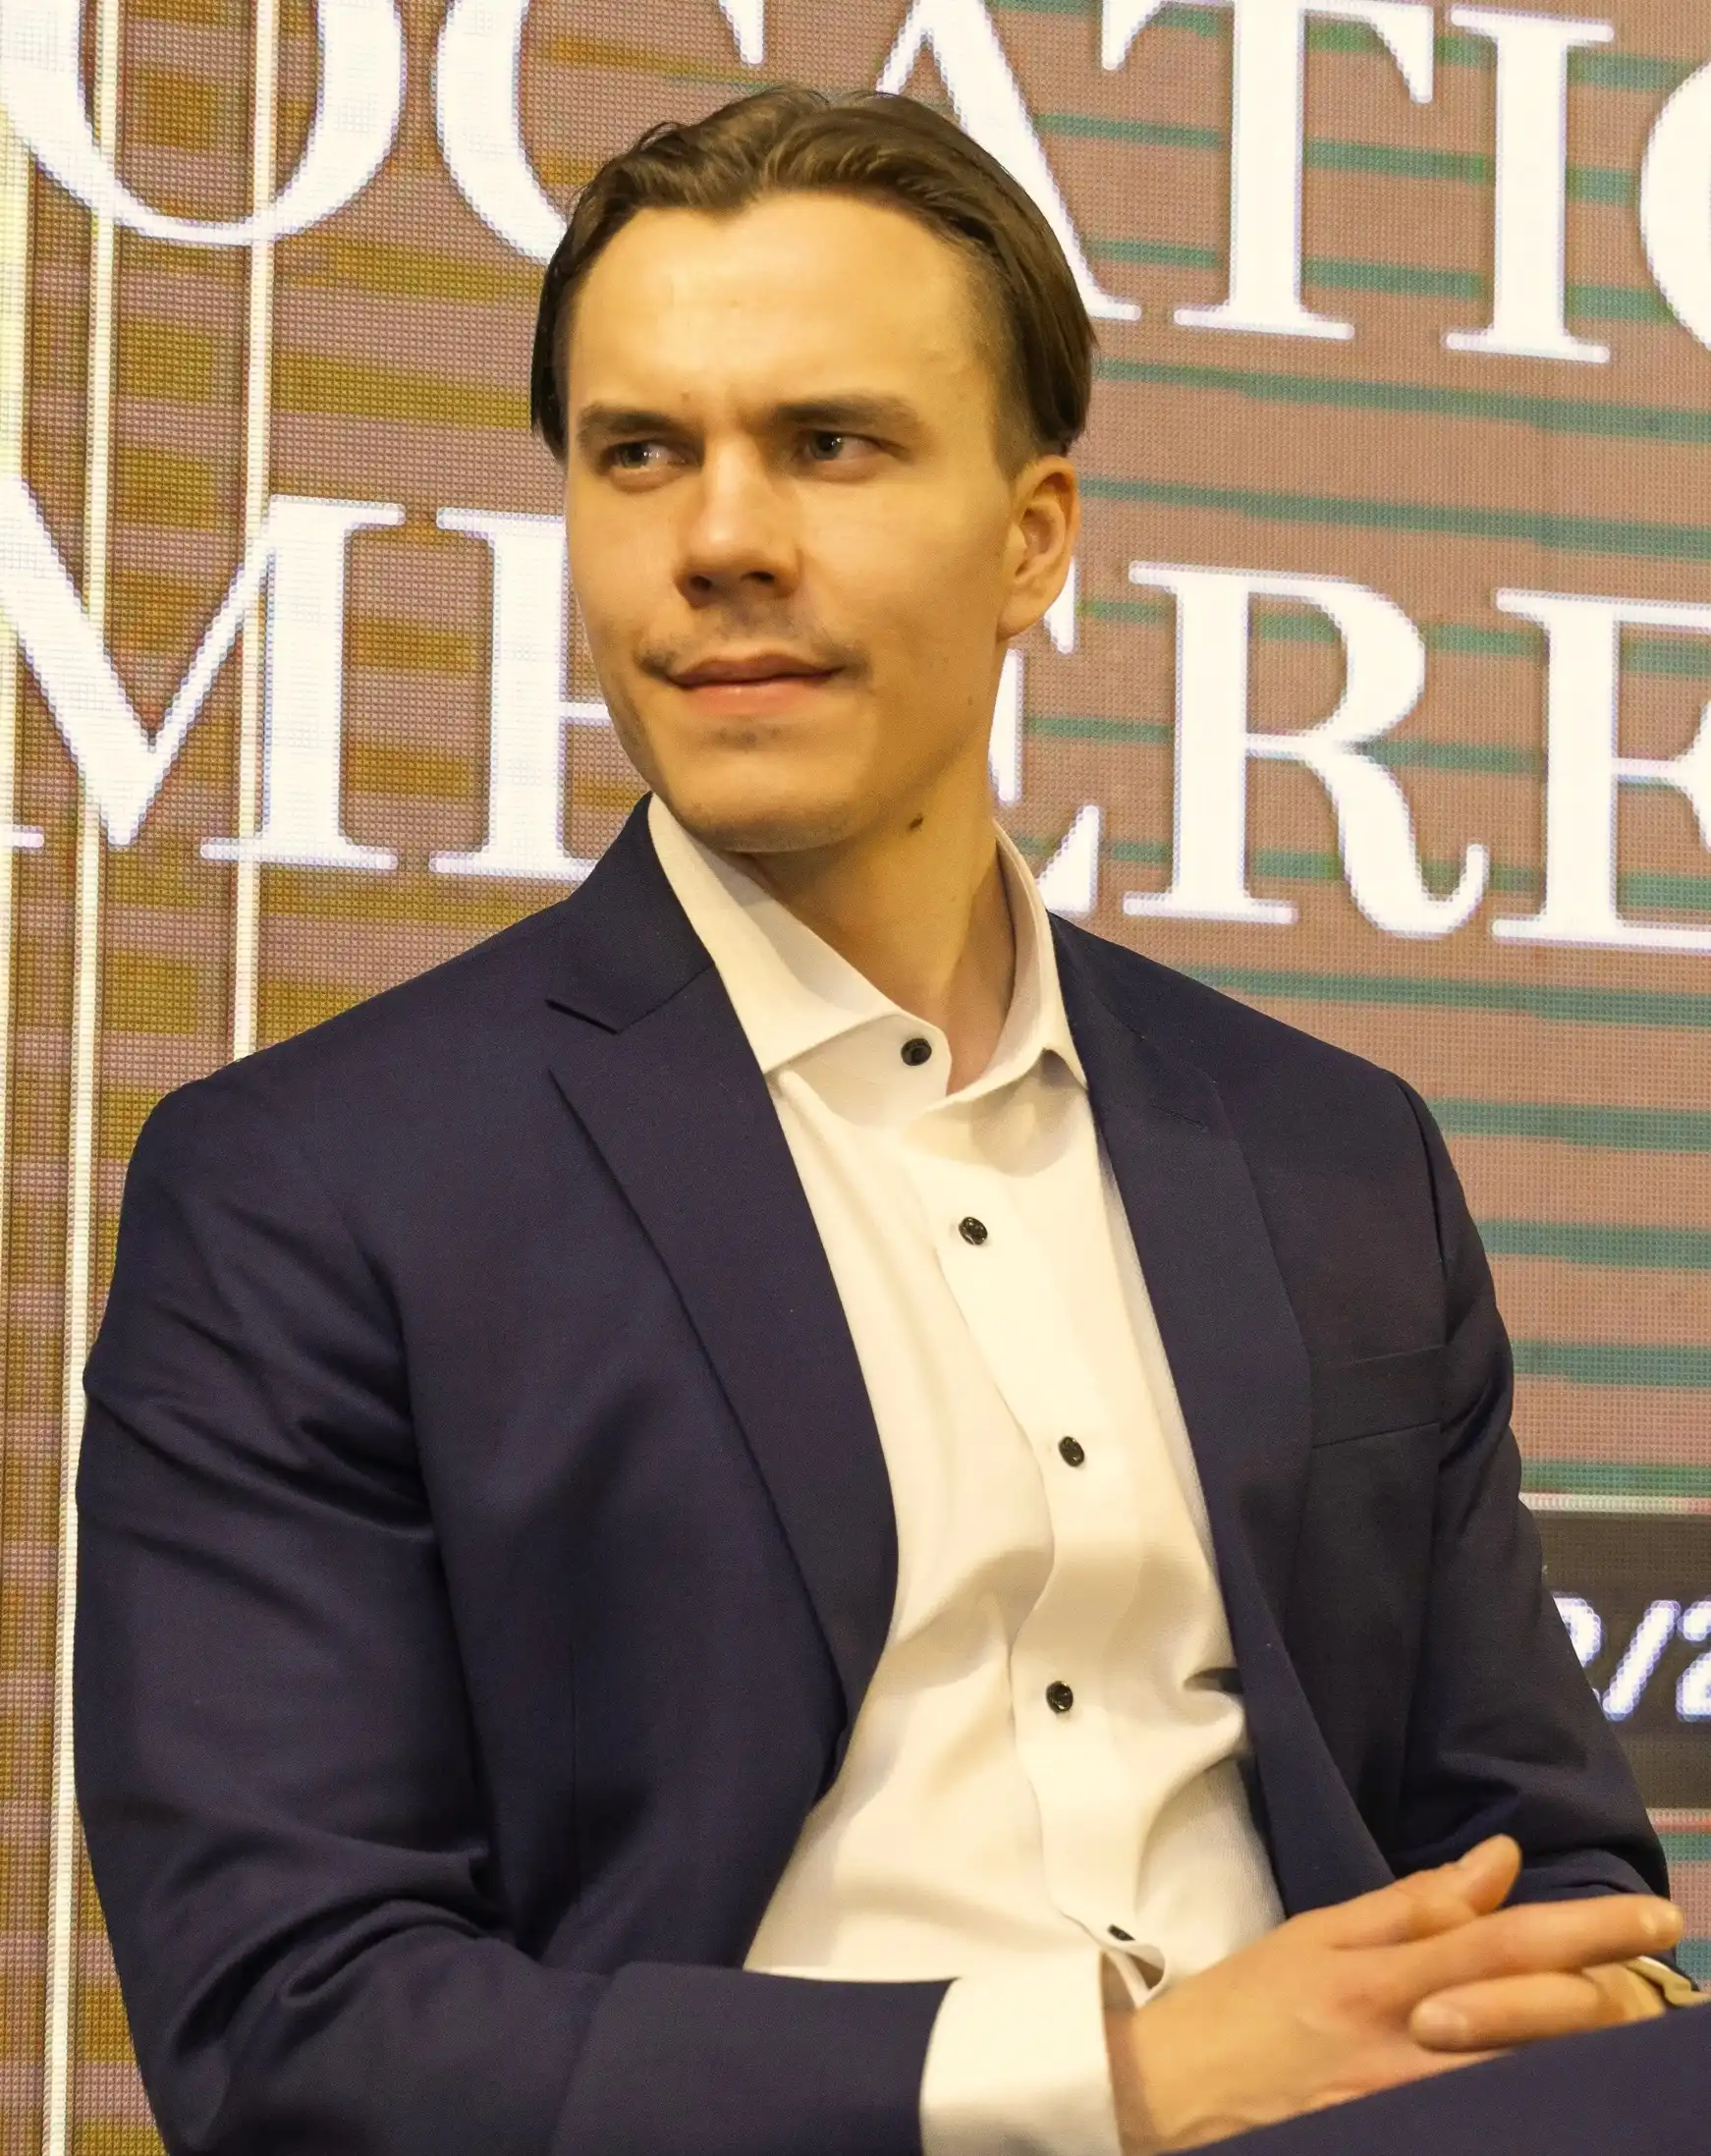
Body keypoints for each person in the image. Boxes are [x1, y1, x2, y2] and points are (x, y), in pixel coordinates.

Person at [75, 86, 1703, 2156]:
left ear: (1034, 537)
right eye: (637, 453)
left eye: (829, 444)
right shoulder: (312, 1188)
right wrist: (1119, 2076)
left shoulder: (1329, 1154)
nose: (720, 537)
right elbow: (293, 2024)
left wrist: (1566, 1992)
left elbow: (1541, 1859)